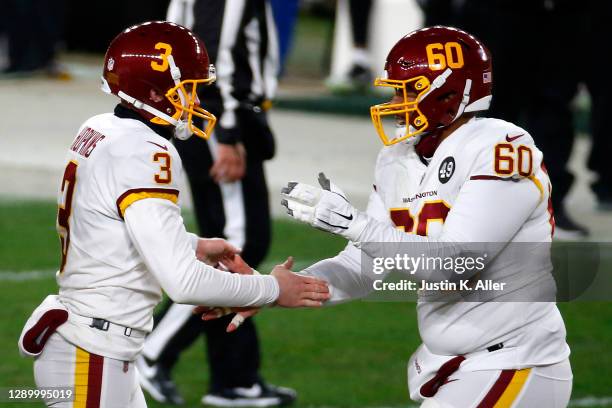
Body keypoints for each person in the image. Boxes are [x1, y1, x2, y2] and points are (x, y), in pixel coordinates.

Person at [17, 21, 329, 408]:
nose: (195, 101)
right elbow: (182, 284)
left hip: (91, 341)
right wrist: (273, 289)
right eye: (188, 89)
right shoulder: (146, 150)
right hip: (93, 350)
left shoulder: (100, 127)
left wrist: (191, 244)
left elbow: (107, 224)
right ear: (155, 89)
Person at [281, 27, 572, 406]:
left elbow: (456, 263)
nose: (397, 100)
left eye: (410, 90)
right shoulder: (397, 157)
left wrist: (353, 223)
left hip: (514, 360)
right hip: (453, 363)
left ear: (452, 93)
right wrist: (272, 290)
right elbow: (364, 267)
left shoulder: (501, 147)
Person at [136, 2, 297, 407]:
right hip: (220, 119)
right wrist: (226, 130)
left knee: (230, 249)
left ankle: (234, 380)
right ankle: (154, 351)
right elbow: (213, 53)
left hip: (213, 115)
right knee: (238, 249)